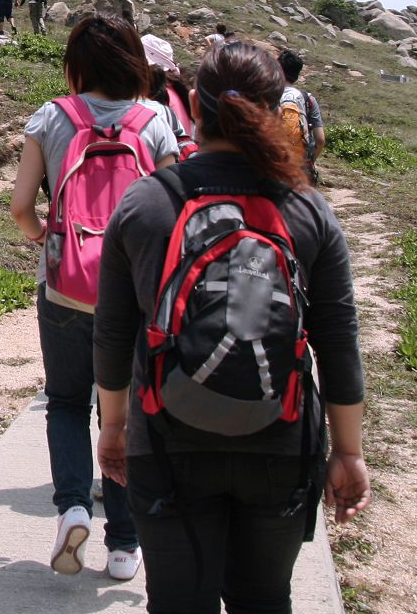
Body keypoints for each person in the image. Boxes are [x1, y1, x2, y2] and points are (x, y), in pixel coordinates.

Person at [94, 44, 369, 614]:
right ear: (276, 109)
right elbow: (339, 340)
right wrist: (349, 451)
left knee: (178, 603)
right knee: (263, 600)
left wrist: (114, 426)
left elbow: (113, 334)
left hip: (165, 437)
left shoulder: (147, 202)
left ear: (194, 104)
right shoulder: (308, 209)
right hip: (281, 437)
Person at [8, 15, 181, 582]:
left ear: (75, 66)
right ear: (133, 63)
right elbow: (175, 212)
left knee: (65, 402)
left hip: (65, 285)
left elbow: (20, 208)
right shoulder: (154, 119)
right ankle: (125, 545)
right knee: (123, 411)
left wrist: (45, 238)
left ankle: (73, 509)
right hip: (133, 292)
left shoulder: (51, 117)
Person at [278, 49, 326, 186]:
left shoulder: (268, 94)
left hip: (273, 164)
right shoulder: (308, 99)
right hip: (298, 168)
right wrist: (309, 162)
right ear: (297, 75)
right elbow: (320, 140)